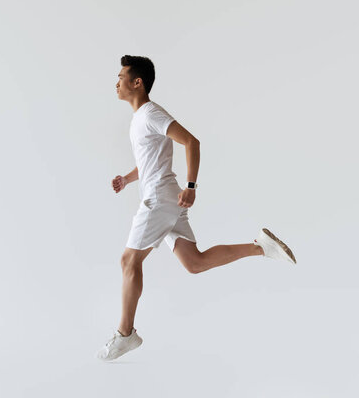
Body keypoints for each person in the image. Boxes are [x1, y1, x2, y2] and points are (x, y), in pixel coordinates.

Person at [96, 55, 297, 361]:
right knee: (194, 262)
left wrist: (191, 187)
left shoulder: (151, 113)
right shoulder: (139, 119)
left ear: (137, 82)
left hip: (160, 200)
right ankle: (261, 247)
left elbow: (192, 142)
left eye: (121, 76)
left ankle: (126, 335)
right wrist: (127, 178)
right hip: (165, 199)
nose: (117, 82)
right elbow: (148, 162)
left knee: (128, 261)